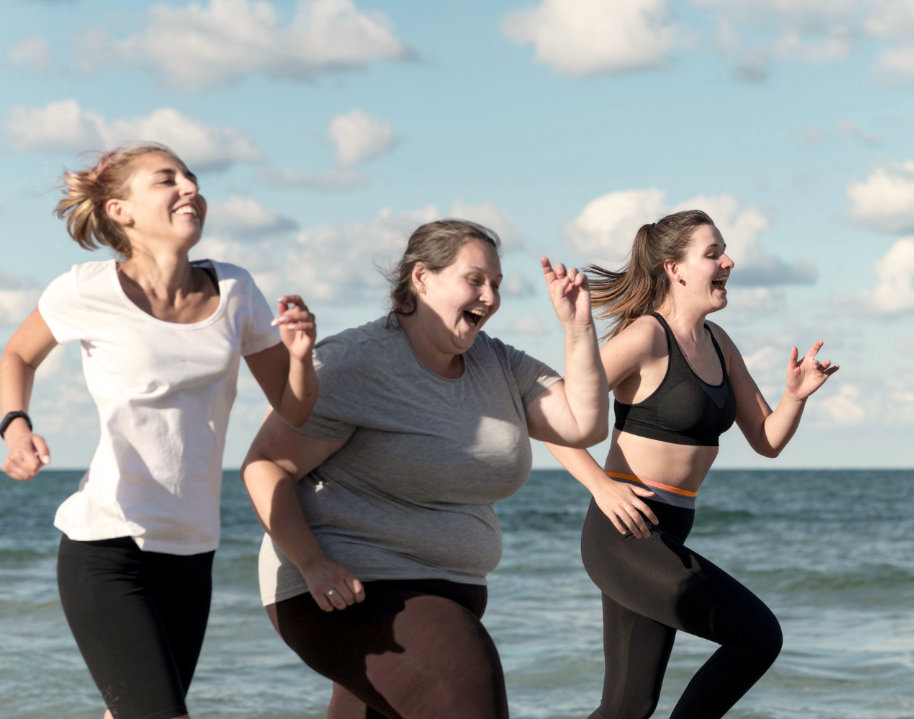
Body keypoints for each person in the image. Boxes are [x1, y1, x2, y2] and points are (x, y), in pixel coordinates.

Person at [242, 218, 608, 719]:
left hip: (447, 595)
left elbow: (583, 425)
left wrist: (578, 328)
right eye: (475, 280)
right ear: (421, 279)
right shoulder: (357, 363)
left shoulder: (497, 364)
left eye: (497, 285)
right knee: (468, 679)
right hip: (349, 594)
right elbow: (265, 466)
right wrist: (311, 561)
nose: (490, 297)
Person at [0, 143, 318, 719]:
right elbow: (18, 355)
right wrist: (15, 426)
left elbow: (294, 411)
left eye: (193, 177)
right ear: (121, 210)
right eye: (166, 180)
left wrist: (299, 357)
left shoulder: (236, 289)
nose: (189, 188)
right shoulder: (84, 288)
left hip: (193, 552)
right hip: (106, 548)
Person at [547, 209, 839, 719]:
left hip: (670, 527)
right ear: (675, 268)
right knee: (758, 636)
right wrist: (600, 485)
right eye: (713, 253)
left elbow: (767, 440)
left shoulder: (720, 344)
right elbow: (554, 414)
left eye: (724, 251)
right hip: (623, 529)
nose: (729, 261)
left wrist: (795, 397)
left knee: (627, 707)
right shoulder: (646, 338)